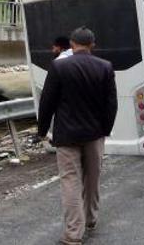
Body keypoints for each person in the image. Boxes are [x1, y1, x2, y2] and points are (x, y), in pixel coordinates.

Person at [38, 27, 117, 242]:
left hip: (66, 136)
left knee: (70, 181)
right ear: (93, 45)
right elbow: (111, 105)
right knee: (92, 178)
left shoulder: (59, 66)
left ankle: (73, 234)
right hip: (94, 134)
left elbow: (47, 102)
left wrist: (42, 130)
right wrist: (105, 130)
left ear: (72, 44)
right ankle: (91, 218)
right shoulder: (105, 67)